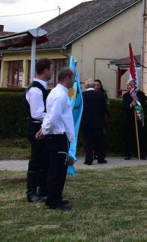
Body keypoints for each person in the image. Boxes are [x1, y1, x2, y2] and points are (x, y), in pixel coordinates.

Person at [39, 68, 76, 211]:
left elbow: (50, 115)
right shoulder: (60, 95)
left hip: (55, 135)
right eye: (73, 78)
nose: (74, 81)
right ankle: (54, 201)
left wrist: (44, 129)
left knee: (56, 168)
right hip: (57, 136)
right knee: (58, 170)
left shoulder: (55, 92)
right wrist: (45, 130)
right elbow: (53, 117)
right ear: (67, 78)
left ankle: (54, 197)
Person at [24, 58, 52, 203]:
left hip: (41, 126)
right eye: (51, 70)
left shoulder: (41, 87)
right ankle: (31, 192)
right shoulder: (35, 89)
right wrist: (53, 116)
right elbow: (37, 113)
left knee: (44, 158)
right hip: (36, 127)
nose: (52, 73)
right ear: (46, 70)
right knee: (36, 159)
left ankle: (43, 188)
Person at [82, 78, 108, 165]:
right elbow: (104, 109)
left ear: (86, 86)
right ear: (93, 85)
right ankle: (101, 158)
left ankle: (88, 159)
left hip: (86, 122)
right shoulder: (101, 95)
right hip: (98, 122)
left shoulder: (83, 95)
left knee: (88, 142)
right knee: (99, 141)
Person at [122, 79, 147, 160]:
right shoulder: (125, 95)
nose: (128, 86)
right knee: (128, 137)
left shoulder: (140, 94)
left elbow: (144, 105)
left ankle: (141, 153)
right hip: (128, 118)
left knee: (140, 136)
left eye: (130, 85)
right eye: (128, 85)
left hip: (138, 117)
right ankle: (128, 154)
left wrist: (137, 101)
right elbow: (124, 107)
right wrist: (131, 105)